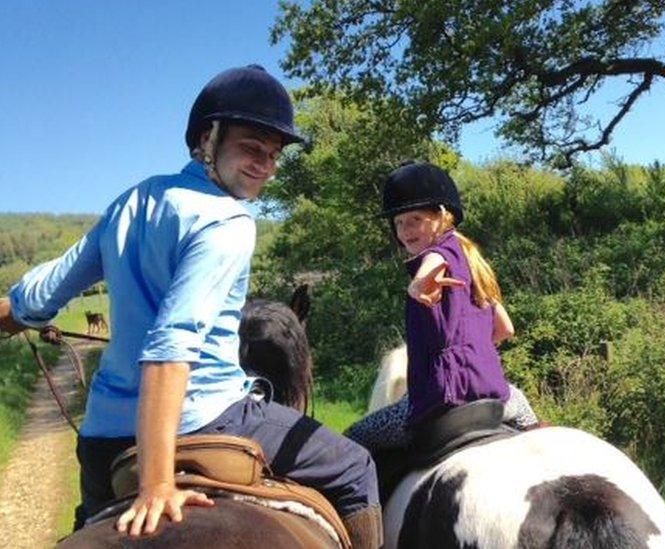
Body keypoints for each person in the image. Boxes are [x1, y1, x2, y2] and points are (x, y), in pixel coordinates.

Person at [0, 65, 382, 547]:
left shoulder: (132, 202)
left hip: (104, 437)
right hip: (210, 414)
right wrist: (157, 483)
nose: (265, 165)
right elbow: (171, 346)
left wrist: (15, 313)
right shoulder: (228, 221)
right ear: (208, 138)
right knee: (357, 466)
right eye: (251, 147)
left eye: (273, 154)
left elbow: (49, 287)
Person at [345, 162, 538, 453]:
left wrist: (417, 285)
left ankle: (367, 500)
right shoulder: (477, 268)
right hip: (494, 392)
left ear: (443, 217)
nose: (405, 230)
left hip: (439, 397)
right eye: (399, 222)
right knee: (531, 421)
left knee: (352, 440)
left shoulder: (436, 255)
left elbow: (432, 266)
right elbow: (506, 329)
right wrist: (474, 353)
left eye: (415, 219)